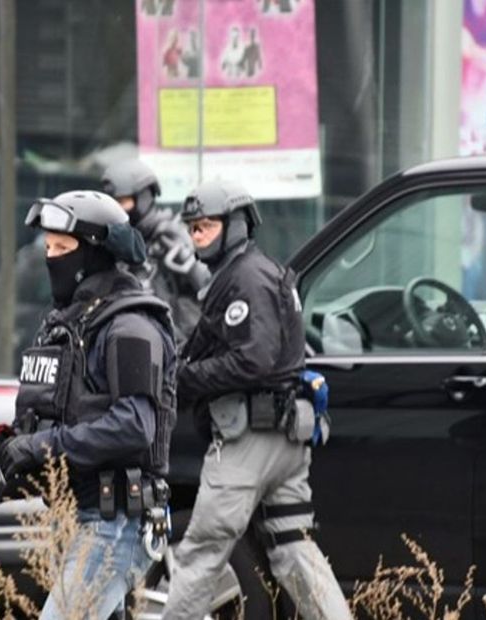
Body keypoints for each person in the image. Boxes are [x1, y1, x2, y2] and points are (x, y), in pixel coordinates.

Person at [162, 181, 350, 620]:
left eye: (206, 226)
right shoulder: (253, 272)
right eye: (193, 228)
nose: (196, 236)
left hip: (249, 442)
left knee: (202, 550)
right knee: (293, 549)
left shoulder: (246, 277)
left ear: (236, 226)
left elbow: (255, 359)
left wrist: (186, 378)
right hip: (283, 438)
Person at [0, 190, 177, 619]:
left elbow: (135, 426)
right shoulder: (75, 323)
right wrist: (12, 444)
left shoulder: (130, 325)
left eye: (64, 248)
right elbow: (71, 411)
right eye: (48, 247)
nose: (52, 258)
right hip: (79, 514)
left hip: (116, 520)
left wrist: (44, 446)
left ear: (96, 254)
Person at [101, 159, 208, 344]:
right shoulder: (113, 246)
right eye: (112, 204)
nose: (117, 210)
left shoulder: (170, 237)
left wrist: (186, 258)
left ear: (144, 198)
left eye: (123, 202)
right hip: (129, 344)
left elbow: (208, 287)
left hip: (176, 349)